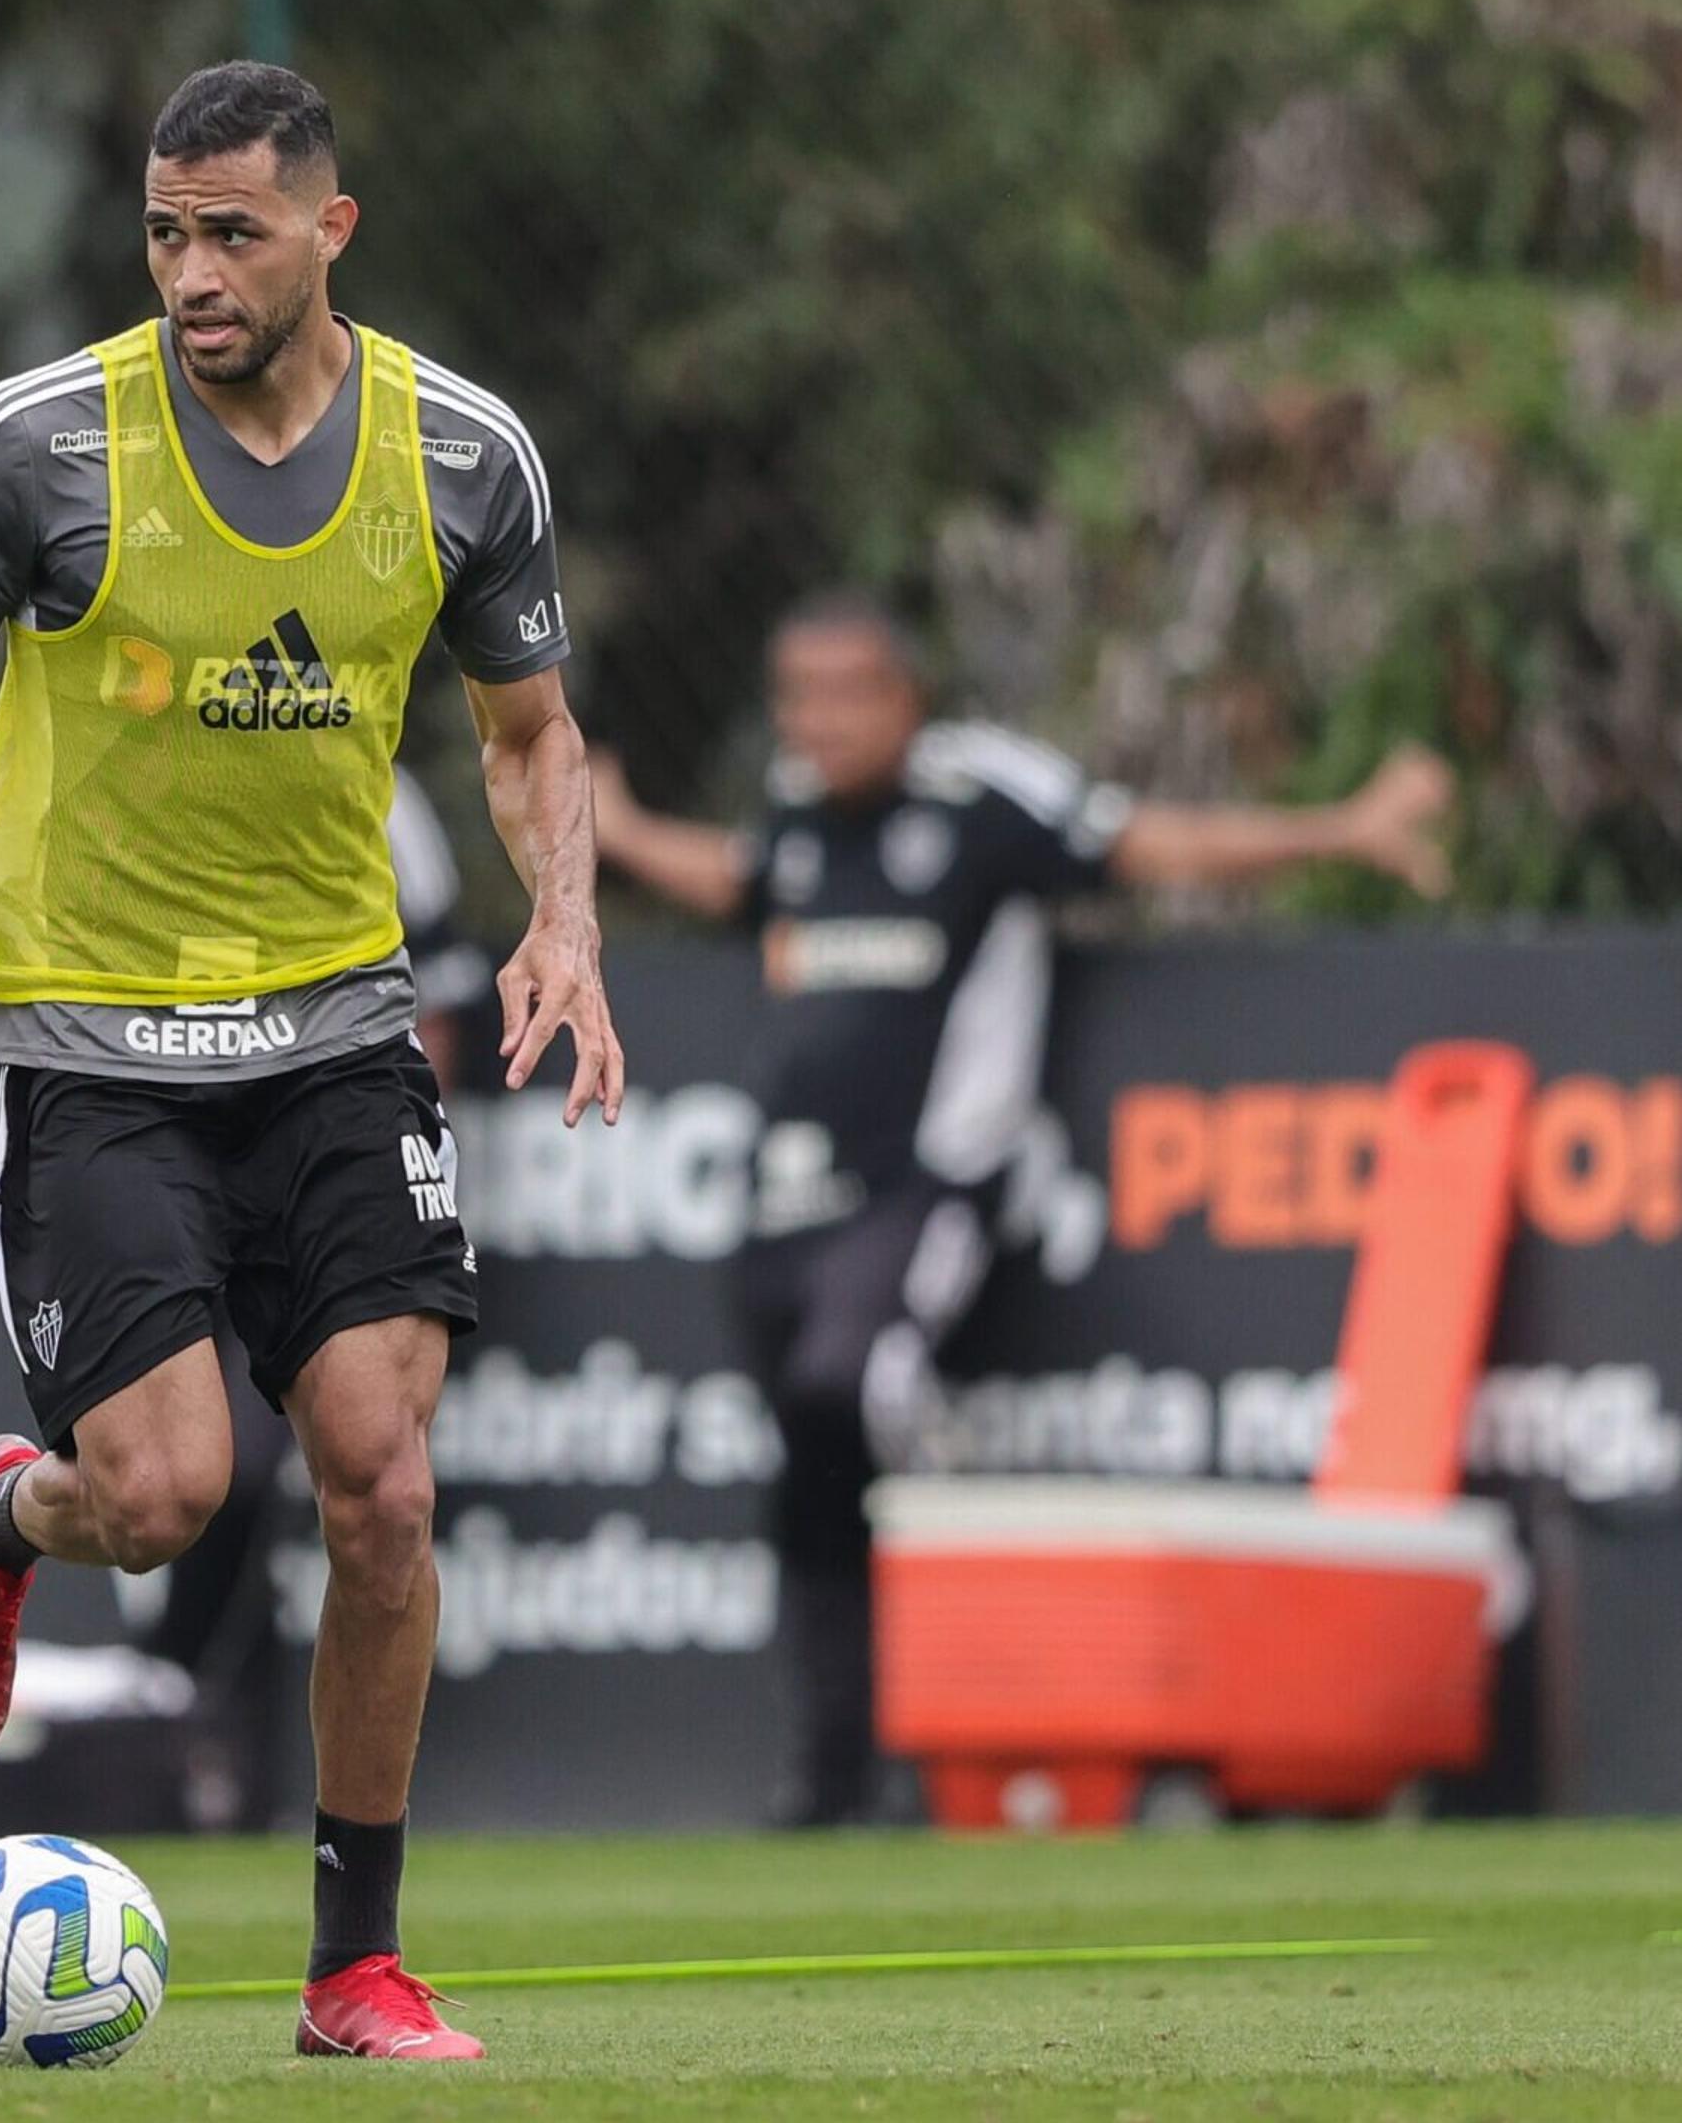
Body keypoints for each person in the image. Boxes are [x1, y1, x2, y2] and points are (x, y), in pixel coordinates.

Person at [0, 61, 622, 2062]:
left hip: (340, 1034)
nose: (192, 271)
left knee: (382, 1489)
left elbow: (527, 734)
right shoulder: (40, 448)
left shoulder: (462, 455)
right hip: (94, 1047)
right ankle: (10, 1516)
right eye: (167, 233)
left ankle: (355, 1969)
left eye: (235, 232)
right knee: (167, 1495)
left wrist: (567, 920)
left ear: (330, 230)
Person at [590, 588, 1454, 1828]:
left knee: (857, 1386)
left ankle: (964, 1718)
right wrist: (617, 832)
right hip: (781, 1201)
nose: (822, 721)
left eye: (851, 692)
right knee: (807, 1475)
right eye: (801, 697)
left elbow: (1153, 845)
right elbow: (730, 878)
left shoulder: (980, 802)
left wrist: (1345, 830)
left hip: (924, 1192)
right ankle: (835, 1782)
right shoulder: (789, 824)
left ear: (909, 698)